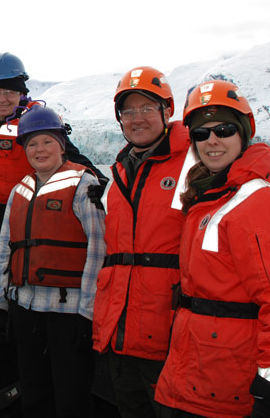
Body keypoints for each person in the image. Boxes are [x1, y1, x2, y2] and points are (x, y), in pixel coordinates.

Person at [154, 80, 270, 418]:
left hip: (234, 389)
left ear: (244, 134)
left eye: (224, 129)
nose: (212, 141)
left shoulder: (260, 205)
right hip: (199, 376)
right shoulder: (210, 198)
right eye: (201, 134)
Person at [0, 52, 105, 414]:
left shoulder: (36, 123)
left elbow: (73, 162)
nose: (2, 99)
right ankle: (10, 392)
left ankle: (25, 393)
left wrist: (97, 185)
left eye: (9, 91)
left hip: (33, 224)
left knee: (60, 376)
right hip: (0, 228)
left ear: (22, 90)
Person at [91, 67, 193, 417]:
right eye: (128, 111)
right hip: (121, 331)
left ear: (168, 112)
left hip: (168, 333)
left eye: (147, 108)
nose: (137, 119)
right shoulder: (120, 171)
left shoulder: (194, 164)